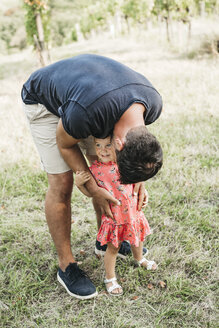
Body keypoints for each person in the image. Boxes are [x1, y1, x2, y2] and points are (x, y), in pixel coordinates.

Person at [21, 54, 163, 300]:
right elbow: (65, 144)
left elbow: (141, 150)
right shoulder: (83, 115)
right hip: (45, 101)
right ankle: (66, 266)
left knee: (104, 169)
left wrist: (138, 177)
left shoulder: (153, 105)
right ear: (119, 143)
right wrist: (90, 184)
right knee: (63, 183)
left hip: (90, 98)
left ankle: (104, 241)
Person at [75, 136, 158, 296]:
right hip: (114, 219)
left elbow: (137, 181)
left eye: (108, 145)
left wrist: (143, 192)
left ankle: (139, 258)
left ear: (118, 147)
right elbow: (90, 193)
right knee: (113, 248)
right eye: (98, 145)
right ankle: (110, 278)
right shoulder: (95, 170)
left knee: (138, 239)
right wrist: (79, 184)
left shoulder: (125, 163)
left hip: (133, 214)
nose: (103, 150)